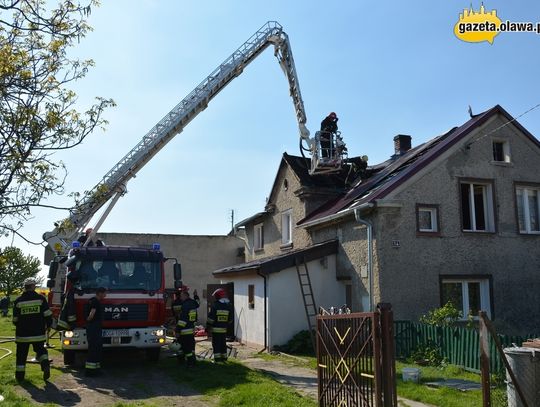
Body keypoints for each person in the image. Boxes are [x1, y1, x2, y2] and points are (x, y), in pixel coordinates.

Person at [12, 278, 52, 382]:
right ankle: (45, 365)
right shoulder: (41, 299)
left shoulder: (18, 301)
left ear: (25, 287)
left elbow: (15, 320)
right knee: (41, 351)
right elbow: (47, 315)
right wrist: (48, 325)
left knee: (21, 355)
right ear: (33, 286)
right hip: (38, 333)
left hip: (22, 335)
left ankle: (20, 377)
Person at [84, 287, 106, 376]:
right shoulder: (95, 302)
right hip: (94, 327)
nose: (105, 295)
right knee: (94, 348)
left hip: (92, 326)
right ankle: (91, 371)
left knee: (95, 347)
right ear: (100, 293)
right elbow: (92, 313)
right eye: (104, 293)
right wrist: (90, 321)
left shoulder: (91, 300)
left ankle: (95, 369)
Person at [207, 288, 233, 363]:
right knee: (223, 344)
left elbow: (211, 318)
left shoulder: (215, 305)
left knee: (216, 344)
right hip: (224, 329)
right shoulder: (228, 305)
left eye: (215, 296)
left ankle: (217, 360)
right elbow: (230, 319)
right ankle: (224, 358)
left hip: (215, 329)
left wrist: (208, 326)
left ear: (218, 296)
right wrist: (225, 324)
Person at [175, 288, 200, 367]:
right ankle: (192, 361)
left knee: (186, 348)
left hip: (184, 330)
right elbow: (198, 303)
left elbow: (183, 320)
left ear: (185, 296)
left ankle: (190, 363)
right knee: (191, 347)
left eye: (181, 296)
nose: (180, 298)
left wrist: (177, 330)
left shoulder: (185, 305)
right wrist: (195, 296)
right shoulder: (193, 303)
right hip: (191, 328)